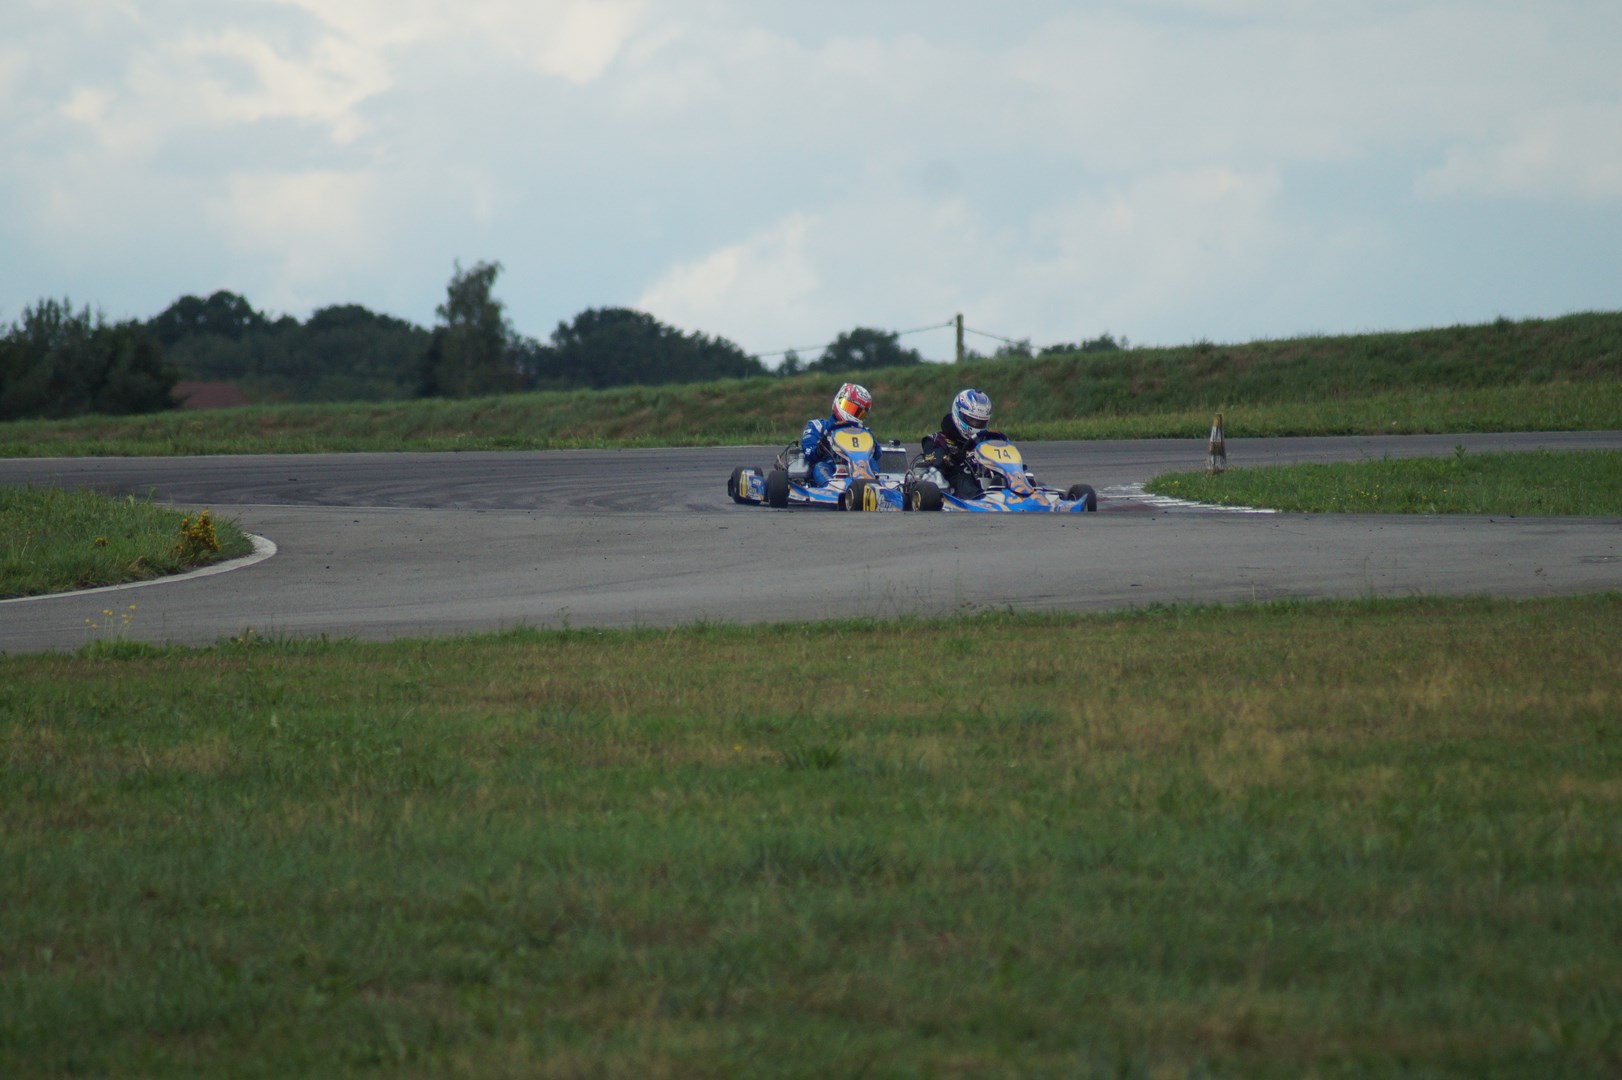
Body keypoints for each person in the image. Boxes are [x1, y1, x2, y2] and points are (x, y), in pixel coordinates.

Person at [922, 388, 997, 498]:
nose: (975, 425)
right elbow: (935, 461)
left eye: (980, 422)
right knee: (963, 477)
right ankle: (979, 499)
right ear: (958, 414)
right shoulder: (937, 440)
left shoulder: (985, 441)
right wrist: (951, 459)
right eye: (972, 420)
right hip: (954, 484)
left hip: (985, 481)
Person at [800, 382, 874, 484]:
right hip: (830, 466)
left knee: (872, 462)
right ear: (839, 400)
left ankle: (874, 485)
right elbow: (808, 453)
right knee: (820, 467)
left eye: (858, 413)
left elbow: (877, 454)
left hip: (859, 468)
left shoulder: (864, 432)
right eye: (850, 407)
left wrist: (872, 443)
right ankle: (832, 486)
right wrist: (820, 448)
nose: (852, 414)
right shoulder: (818, 426)